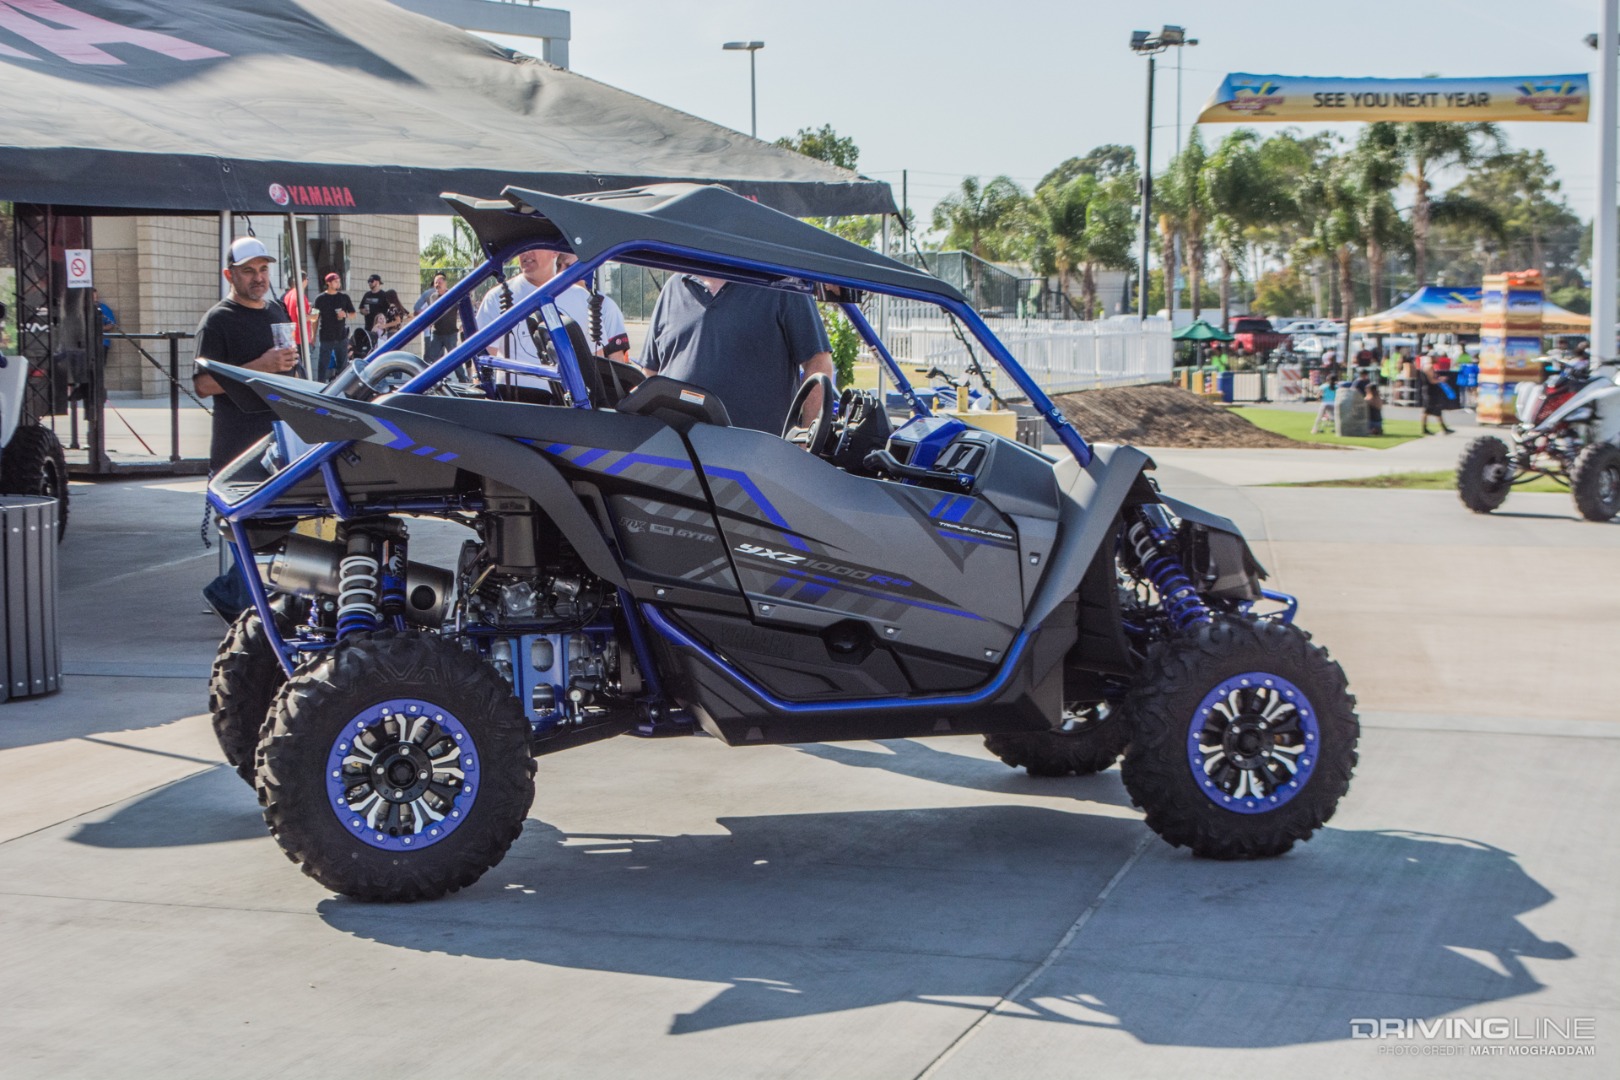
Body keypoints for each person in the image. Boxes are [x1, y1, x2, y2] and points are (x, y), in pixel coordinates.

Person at [192, 236, 298, 620]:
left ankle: (240, 598)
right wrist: (261, 367)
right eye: (249, 271)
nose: (258, 278)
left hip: (278, 444)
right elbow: (203, 384)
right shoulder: (218, 320)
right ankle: (236, 599)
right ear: (230, 275)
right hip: (237, 448)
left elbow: (288, 371)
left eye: (263, 269)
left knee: (280, 526)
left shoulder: (276, 312)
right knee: (248, 530)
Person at [640, 273, 833, 434]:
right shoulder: (673, 288)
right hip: (674, 454)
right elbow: (650, 372)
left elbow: (818, 363)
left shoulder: (782, 286)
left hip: (754, 458)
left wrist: (806, 437)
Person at [474, 248, 631, 382]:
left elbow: (595, 360)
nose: (526, 253)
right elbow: (482, 361)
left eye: (534, 246)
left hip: (567, 404)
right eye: (522, 248)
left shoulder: (582, 298)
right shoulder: (495, 298)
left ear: (555, 252)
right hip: (513, 403)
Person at [311, 272, 355, 380]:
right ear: (329, 283)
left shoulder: (344, 297)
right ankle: (319, 385)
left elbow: (353, 314)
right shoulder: (320, 299)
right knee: (323, 365)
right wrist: (313, 336)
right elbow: (314, 318)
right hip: (326, 337)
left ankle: (342, 386)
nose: (338, 283)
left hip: (341, 336)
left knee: (342, 366)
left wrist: (345, 315)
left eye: (339, 281)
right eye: (335, 281)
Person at [421, 272, 459, 363]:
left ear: (445, 284)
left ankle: (460, 373)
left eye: (440, 283)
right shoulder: (433, 297)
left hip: (450, 333)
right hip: (437, 333)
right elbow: (432, 312)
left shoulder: (452, 295)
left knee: (454, 359)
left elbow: (459, 309)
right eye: (436, 283)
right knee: (433, 358)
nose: (437, 285)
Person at [1420, 355, 1454, 435]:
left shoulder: (1426, 367)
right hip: (1430, 391)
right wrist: (1440, 380)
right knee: (1427, 410)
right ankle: (1424, 429)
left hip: (1431, 391)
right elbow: (1432, 381)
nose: (1437, 359)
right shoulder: (1429, 367)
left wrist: (1439, 378)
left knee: (1436, 410)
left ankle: (1443, 428)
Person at [280, 274, 311, 348]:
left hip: (291, 336)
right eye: (307, 279)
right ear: (304, 280)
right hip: (301, 337)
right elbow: (302, 318)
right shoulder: (299, 295)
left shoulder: (287, 295)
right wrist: (313, 316)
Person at [1353, 368, 1383, 436]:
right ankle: (1375, 429)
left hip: (1371, 420)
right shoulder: (1358, 382)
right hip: (1377, 420)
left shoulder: (1369, 399)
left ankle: (1372, 429)